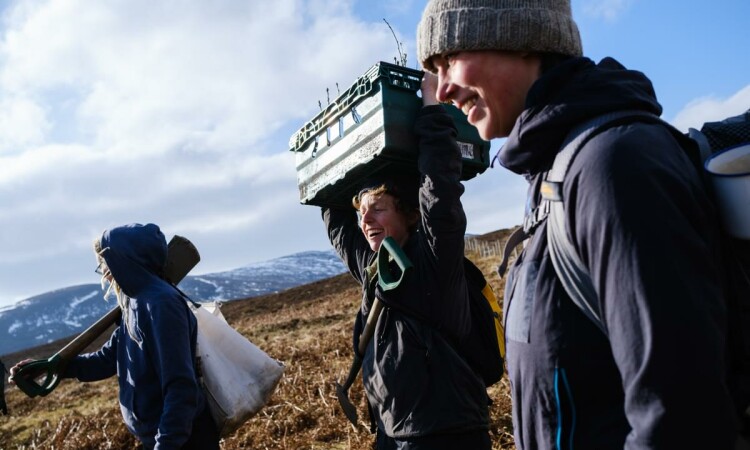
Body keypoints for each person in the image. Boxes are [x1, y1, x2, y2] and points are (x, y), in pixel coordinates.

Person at [416, 1, 738, 449]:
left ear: (520, 36)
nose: (444, 88)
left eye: (448, 59)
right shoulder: (551, 179)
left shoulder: (613, 169)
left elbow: (680, 419)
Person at [322, 73, 491, 449]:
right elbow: (338, 225)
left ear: (410, 215)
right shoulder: (375, 268)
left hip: (445, 435)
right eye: (362, 213)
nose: (365, 221)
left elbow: (440, 190)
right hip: (391, 434)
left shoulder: (434, 259)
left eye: (378, 210)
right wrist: (334, 156)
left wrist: (431, 106)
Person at [10, 223, 218, 450]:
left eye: (105, 265)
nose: (106, 275)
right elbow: (106, 360)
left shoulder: (161, 305)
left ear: (122, 262)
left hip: (184, 440)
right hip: (162, 437)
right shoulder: (134, 303)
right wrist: (54, 367)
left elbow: (180, 387)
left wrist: (166, 444)